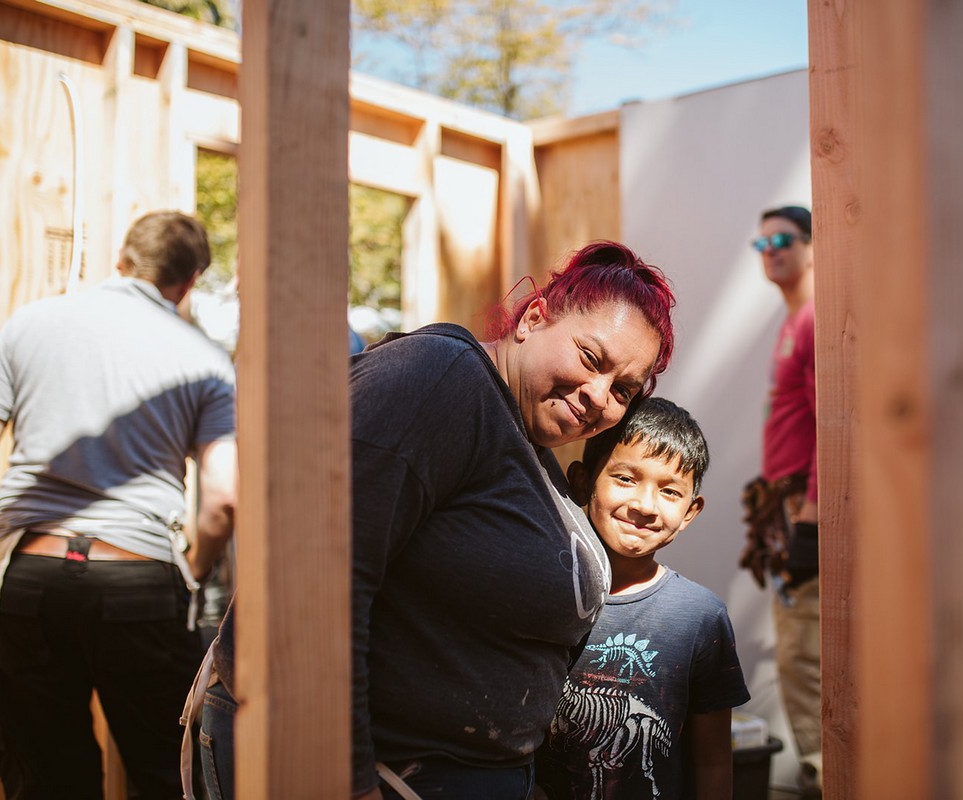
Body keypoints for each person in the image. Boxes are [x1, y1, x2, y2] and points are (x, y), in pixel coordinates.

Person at [196, 241, 676, 800]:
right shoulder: (440, 377)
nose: (598, 396)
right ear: (533, 318)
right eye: (591, 359)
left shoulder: (525, 439)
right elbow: (314, 574)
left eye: (622, 390)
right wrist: (349, 781)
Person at [0, 210, 237, 799]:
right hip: (136, 577)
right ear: (191, 279)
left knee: (46, 779)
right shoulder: (203, 358)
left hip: (28, 577)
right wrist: (194, 570)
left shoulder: (28, 325)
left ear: (121, 259)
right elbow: (223, 498)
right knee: (165, 774)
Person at [534, 397, 750, 800]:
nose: (645, 505)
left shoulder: (701, 617)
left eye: (669, 491)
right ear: (582, 482)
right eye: (625, 479)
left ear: (689, 512)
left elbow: (714, 761)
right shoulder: (541, 594)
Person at [736, 205, 821, 795]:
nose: (771, 251)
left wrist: (811, 521)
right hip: (787, 510)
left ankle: (826, 776)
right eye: (762, 242)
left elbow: (832, 426)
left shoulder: (815, 320)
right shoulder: (794, 321)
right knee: (801, 658)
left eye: (783, 239)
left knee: (804, 659)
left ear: (814, 246)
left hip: (805, 514)